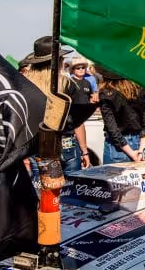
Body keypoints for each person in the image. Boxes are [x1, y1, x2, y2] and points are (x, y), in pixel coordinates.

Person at [18, 37, 94, 175]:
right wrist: (84, 151)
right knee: (71, 186)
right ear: (58, 61)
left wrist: (23, 154)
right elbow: (77, 122)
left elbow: (22, 121)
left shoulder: (26, 85)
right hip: (66, 143)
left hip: (38, 144)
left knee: (43, 187)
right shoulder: (67, 83)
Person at [99, 68, 145, 164]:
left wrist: (131, 153)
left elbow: (112, 128)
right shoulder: (141, 89)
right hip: (139, 142)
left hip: (117, 147)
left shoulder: (106, 93)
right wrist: (141, 151)